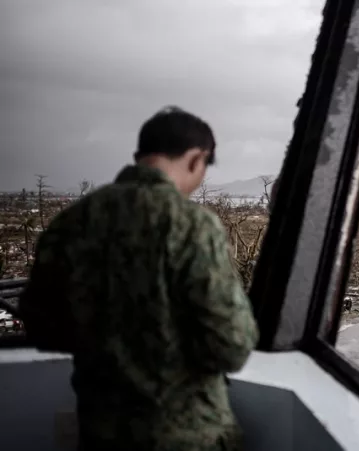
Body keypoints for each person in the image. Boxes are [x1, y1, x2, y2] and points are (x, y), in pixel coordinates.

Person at [20, 106, 259, 451]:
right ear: (197, 159)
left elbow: (41, 324)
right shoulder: (191, 225)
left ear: (139, 157)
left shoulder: (73, 222)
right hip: (187, 435)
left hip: (101, 430)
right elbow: (232, 345)